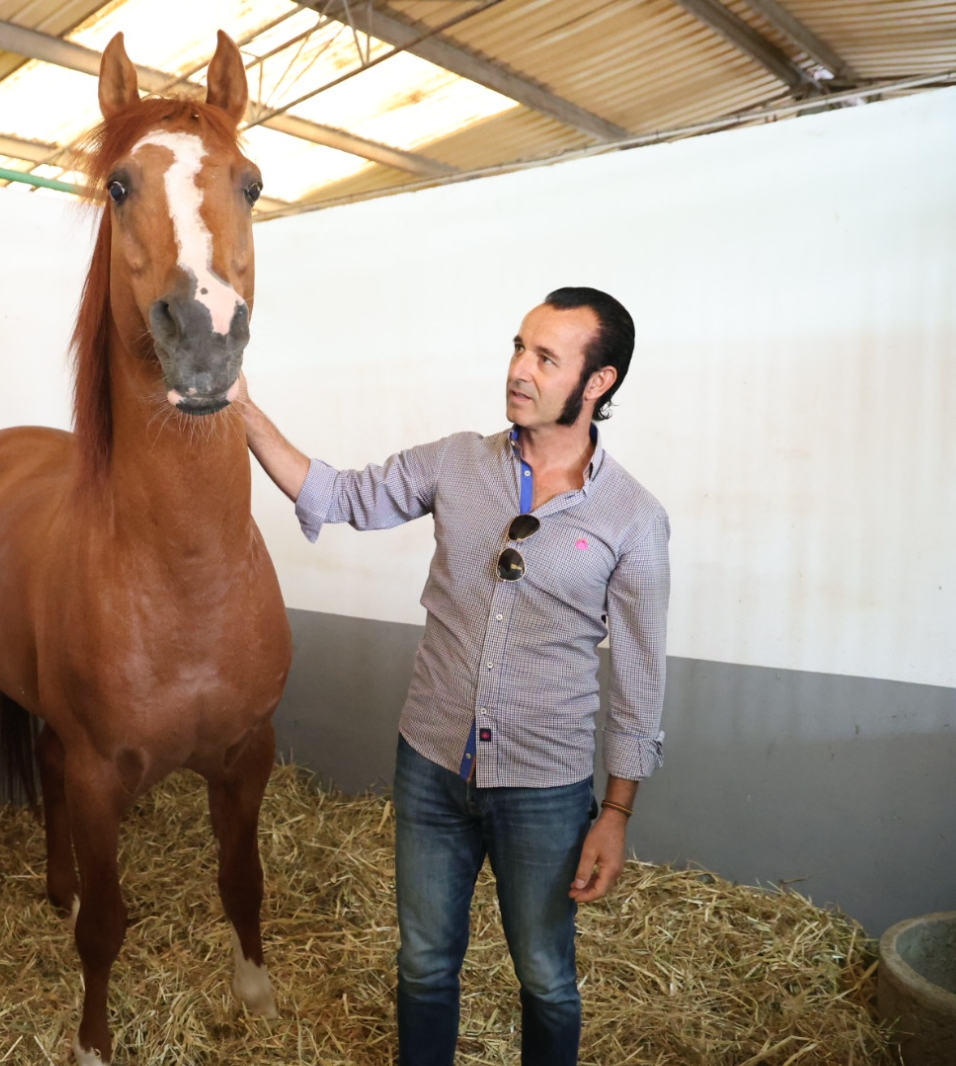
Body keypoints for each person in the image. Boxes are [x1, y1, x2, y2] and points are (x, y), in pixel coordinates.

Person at [237, 287, 669, 1066]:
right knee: (425, 965)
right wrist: (242, 409)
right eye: (518, 347)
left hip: (544, 786)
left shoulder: (633, 519)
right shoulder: (456, 462)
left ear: (598, 383)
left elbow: (640, 680)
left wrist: (616, 812)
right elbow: (339, 495)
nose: (518, 370)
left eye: (546, 357)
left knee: (545, 978)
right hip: (431, 768)